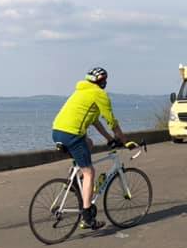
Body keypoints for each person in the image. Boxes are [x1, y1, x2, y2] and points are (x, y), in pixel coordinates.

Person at [52, 68, 136, 231]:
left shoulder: (81, 92)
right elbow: (111, 121)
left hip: (57, 132)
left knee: (88, 143)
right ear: (102, 81)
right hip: (72, 135)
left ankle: (75, 178)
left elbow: (95, 121)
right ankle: (87, 216)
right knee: (90, 172)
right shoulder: (99, 94)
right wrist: (124, 141)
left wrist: (109, 139)